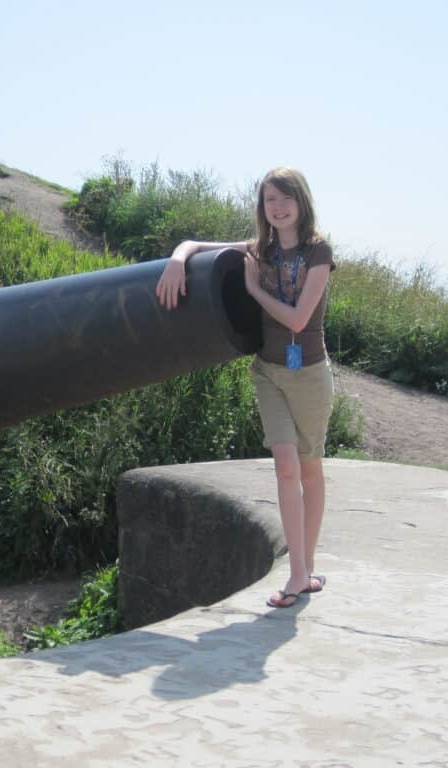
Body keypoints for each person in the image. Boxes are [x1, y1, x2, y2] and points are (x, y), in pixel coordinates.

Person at [155, 167, 335, 609]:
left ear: (301, 201)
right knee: (286, 469)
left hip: (309, 374)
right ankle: (296, 575)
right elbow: (196, 245)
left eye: (285, 198)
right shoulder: (261, 249)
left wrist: (253, 288)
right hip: (269, 372)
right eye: (270, 199)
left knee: (310, 472)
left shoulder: (318, 251)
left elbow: (297, 319)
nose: (278, 207)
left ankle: (306, 568)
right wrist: (177, 260)